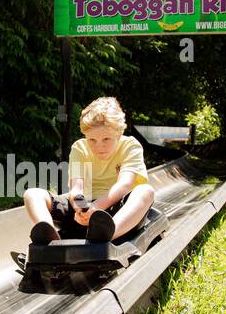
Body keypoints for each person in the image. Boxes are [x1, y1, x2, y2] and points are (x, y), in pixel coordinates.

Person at [23, 96, 156, 245]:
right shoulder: (80, 148)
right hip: (85, 207)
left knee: (146, 191)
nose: (99, 146)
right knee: (32, 194)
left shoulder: (130, 146)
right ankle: (50, 239)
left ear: (118, 133)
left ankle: (107, 234)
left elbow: (124, 185)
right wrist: (82, 209)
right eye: (92, 140)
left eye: (106, 139)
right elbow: (76, 188)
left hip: (117, 209)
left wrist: (97, 207)